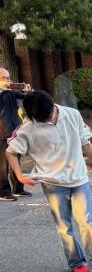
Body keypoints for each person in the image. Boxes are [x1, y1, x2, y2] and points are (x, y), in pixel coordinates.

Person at [6, 90, 92, 272]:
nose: (49, 119)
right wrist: (20, 177)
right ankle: (76, 262)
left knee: (87, 222)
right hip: (52, 183)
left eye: (50, 115)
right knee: (64, 226)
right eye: (43, 119)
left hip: (79, 178)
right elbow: (10, 152)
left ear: (53, 105)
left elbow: (85, 143)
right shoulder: (28, 128)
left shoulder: (73, 114)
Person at [0, 68, 32, 201]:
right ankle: (3, 192)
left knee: (16, 160)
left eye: (8, 77)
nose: (8, 80)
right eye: (4, 78)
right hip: (2, 133)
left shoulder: (11, 92)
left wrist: (28, 92)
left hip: (16, 131)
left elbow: (25, 97)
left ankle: (18, 188)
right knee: (2, 165)